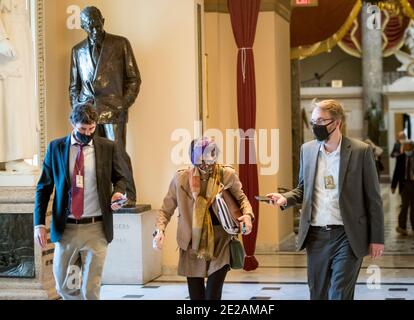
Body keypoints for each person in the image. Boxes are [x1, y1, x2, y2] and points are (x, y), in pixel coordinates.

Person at [266, 99, 384, 300]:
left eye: (321, 120)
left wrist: (377, 238)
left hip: (348, 235)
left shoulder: (360, 151)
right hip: (316, 236)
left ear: (337, 122)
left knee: (339, 293)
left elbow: (373, 198)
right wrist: (285, 198)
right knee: (318, 293)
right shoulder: (308, 150)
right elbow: (304, 189)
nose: (315, 125)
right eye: (313, 121)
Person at [33, 103, 128, 300]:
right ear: (73, 124)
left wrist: (118, 193)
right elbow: (43, 188)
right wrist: (39, 223)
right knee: (64, 286)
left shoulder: (107, 147)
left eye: (91, 128)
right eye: (82, 129)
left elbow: (120, 178)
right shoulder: (56, 148)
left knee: (91, 289)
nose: (87, 133)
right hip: (66, 227)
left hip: (97, 227)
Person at [154, 138, 254, 300]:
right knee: (196, 297)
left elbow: (242, 199)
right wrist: (160, 230)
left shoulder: (226, 174)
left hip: (221, 240)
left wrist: (248, 216)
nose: (206, 165)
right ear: (193, 158)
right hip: (192, 242)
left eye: (209, 159)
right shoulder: (181, 179)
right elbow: (166, 209)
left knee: (213, 295)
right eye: (200, 161)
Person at [69, 6, 141, 207]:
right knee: (92, 156)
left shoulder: (120, 44)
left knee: (117, 151)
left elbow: (134, 79)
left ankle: (128, 195)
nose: (94, 29)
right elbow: (74, 86)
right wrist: (77, 114)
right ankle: (99, 198)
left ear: (103, 20)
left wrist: (122, 104)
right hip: (86, 114)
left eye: (96, 24)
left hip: (113, 109)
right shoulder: (77, 51)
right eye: (89, 26)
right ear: (83, 26)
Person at [0, 0, 38, 172]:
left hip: (18, 33)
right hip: (8, 37)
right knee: (10, 97)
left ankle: (11, 155)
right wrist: (1, 39)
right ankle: (12, 156)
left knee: (20, 97)